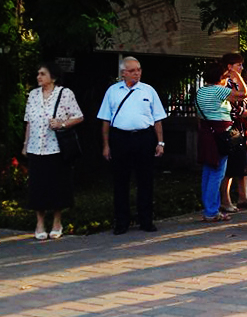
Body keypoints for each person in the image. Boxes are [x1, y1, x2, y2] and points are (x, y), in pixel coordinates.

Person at [97, 57, 167, 234]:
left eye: (139, 69)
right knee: (121, 181)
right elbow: (105, 120)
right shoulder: (112, 92)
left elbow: (158, 119)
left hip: (144, 138)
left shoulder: (148, 90)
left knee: (145, 181)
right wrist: (106, 145)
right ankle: (121, 221)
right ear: (123, 73)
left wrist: (160, 142)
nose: (137, 73)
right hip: (120, 138)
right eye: (133, 70)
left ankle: (146, 220)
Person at [22, 62, 84, 240]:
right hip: (36, 147)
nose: (38, 77)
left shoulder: (65, 94)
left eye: (42, 73)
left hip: (56, 148)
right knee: (37, 187)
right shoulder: (33, 95)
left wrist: (61, 123)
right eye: (38, 74)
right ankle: (39, 223)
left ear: (53, 77)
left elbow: (79, 116)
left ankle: (57, 222)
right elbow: (29, 121)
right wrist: (26, 144)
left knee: (58, 186)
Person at [196, 62, 247, 222]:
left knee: (207, 172)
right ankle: (212, 211)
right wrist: (237, 76)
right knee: (217, 174)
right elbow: (244, 94)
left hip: (207, 134)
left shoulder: (201, 91)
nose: (227, 79)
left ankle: (208, 208)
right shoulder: (218, 90)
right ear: (220, 78)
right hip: (221, 136)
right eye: (226, 77)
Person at [219, 53, 247, 213]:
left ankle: (243, 196)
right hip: (234, 130)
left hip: (246, 129)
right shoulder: (225, 84)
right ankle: (225, 199)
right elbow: (234, 110)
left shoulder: (241, 82)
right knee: (231, 167)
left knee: (245, 165)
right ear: (229, 67)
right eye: (239, 65)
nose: (242, 68)